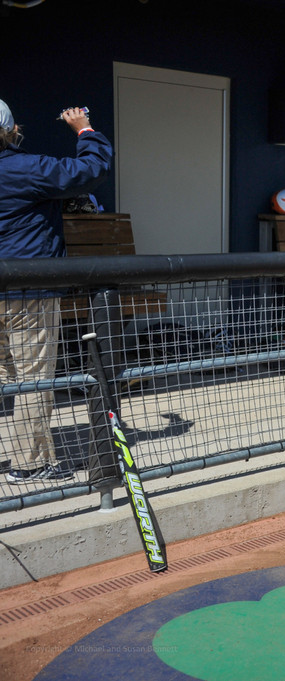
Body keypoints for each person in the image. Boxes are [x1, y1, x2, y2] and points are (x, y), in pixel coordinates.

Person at [0, 100, 113, 482]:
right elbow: (90, 170)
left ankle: (26, 456)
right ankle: (30, 465)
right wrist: (84, 129)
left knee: (10, 379)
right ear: (9, 131)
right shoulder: (23, 167)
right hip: (25, 291)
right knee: (33, 381)